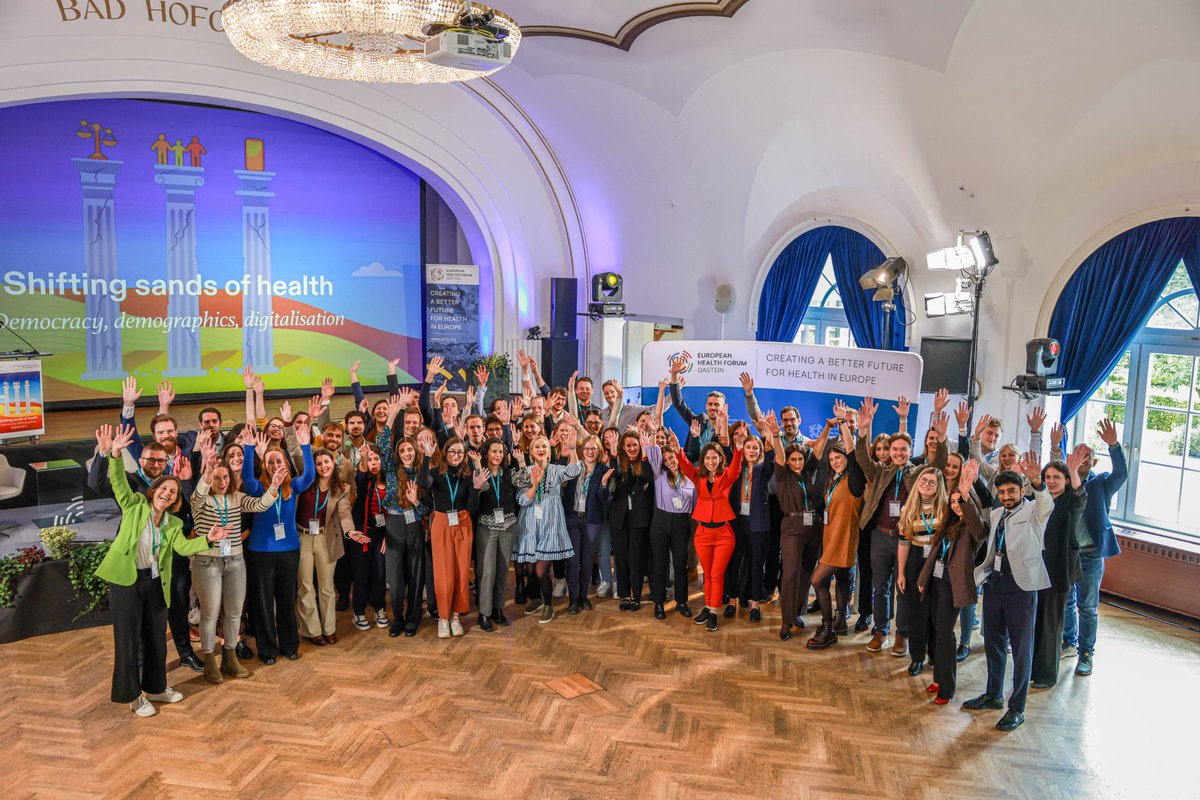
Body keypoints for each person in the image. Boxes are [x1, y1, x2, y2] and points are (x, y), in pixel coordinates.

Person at [93, 424, 233, 717]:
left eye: (173, 492)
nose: (167, 494)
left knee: (156, 638)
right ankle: (133, 696)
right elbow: (118, 482)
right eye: (164, 489)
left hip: (157, 583)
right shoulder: (134, 506)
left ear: (175, 499)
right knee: (128, 640)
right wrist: (114, 454)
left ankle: (156, 688)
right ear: (153, 491)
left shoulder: (173, 524)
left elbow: (183, 547)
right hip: (127, 582)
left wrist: (208, 539)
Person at [962, 454, 1053, 732]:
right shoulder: (997, 513)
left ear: (1021, 490)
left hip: (1021, 588)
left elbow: (1047, 504)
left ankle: (1017, 708)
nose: (1006, 496)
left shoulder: (1034, 511)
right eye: (1002, 492)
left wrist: (1037, 480)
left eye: (1011, 491)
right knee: (993, 643)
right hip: (995, 584)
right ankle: (993, 695)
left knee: (1022, 650)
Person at [855, 397, 949, 657]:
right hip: (880, 537)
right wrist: (862, 431)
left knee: (903, 588)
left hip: (907, 540)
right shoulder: (881, 471)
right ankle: (881, 630)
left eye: (903, 449)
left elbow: (939, 464)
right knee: (880, 587)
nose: (897, 453)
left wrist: (941, 439)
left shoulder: (918, 472)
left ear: (909, 451)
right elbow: (862, 458)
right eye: (894, 449)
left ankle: (902, 634)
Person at [189, 436, 282, 684]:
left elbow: (260, 505)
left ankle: (229, 658)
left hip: (235, 561)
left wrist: (273, 487)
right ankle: (210, 660)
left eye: (225, 477)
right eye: (217, 478)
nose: (222, 482)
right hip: (207, 563)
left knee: (234, 613)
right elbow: (197, 497)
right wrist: (206, 473)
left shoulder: (237, 498)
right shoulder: (200, 501)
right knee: (210, 613)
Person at [1052, 417, 1127, 676]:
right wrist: (1055, 447)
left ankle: (1086, 653)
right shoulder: (1064, 483)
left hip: (1091, 555)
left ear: (1093, 462)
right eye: (1078, 454)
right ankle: (1069, 643)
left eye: (1087, 456)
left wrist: (1114, 446)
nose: (1082, 459)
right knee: (1066, 601)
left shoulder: (1101, 483)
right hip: (1068, 553)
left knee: (1087, 607)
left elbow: (1122, 474)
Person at [240, 427, 315, 665]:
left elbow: (309, 475)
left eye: (279, 461)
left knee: (286, 599)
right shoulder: (257, 487)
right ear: (264, 465)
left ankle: (290, 645)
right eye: (270, 461)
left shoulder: (293, 486)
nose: (274, 465)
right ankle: (268, 650)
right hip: (260, 552)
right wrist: (249, 449)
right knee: (263, 603)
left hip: (289, 551)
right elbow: (246, 477)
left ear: (286, 464)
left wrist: (305, 446)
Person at [916, 459, 986, 704]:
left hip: (952, 586)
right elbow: (935, 554)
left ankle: (947, 688)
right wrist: (923, 579)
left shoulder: (974, 529)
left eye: (961, 502)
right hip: (936, 582)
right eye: (954, 501)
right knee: (937, 630)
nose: (957, 505)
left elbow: (978, 526)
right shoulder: (949, 524)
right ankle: (938, 678)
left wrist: (966, 494)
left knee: (945, 633)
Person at [800, 418, 864, 647]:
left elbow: (854, 453)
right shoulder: (835, 479)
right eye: (832, 459)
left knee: (817, 580)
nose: (835, 462)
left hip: (844, 538)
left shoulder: (855, 480)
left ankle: (828, 628)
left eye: (839, 458)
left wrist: (843, 424)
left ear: (847, 458)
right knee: (843, 579)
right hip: (831, 535)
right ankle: (840, 620)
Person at [676, 414, 744, 632]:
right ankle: (708, 606)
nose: (711, 461)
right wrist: (677, 450)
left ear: (720, 459)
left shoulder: (727, 476)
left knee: (717, 574)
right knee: (707, 574)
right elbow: (685, 466)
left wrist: (739, 449)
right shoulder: (699, 476)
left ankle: (713, 611)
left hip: (724, 534)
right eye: (707, 458)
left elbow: (736, 467)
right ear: (703, 459)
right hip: (703, 533)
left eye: (715, 458)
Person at [1030, 448, 1087, 689]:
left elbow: (1080, 496)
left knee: (1050, 624)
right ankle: (1031, 669)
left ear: (1066, 480)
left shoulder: (1069, 501)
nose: (1051, 481)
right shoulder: (1039, 500)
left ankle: (1046, 675)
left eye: (1057, 477)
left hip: (1058, 571)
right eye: (1048, 477)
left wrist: (1073, 470)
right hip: (1035, 568)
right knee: (1034, 620)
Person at [515, 431, 582, 623]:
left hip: (551, 526)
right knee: (530, 569)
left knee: (541, 570)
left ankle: (548, 605)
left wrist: (572, 449)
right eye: (537, 446)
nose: (541, 449)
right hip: (530, 526)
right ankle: (537, 599)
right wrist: (534, 485)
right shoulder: (525, 472)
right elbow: (521, 500)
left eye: (544, 446)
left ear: (549, 451)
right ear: (531, 452)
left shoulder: (556, 470)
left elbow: (574, 471)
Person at [295, 449, 359, 647]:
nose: (324, 466)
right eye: (319, 463)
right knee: (305, 586)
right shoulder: (305, 483)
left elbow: (344, 512)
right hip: (303, 538)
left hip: (326, 538)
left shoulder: (342, 488)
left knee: (327, 587)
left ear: (333, 463)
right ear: (313, 466)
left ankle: (329, 629)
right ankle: (312, 630)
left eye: (327, 462)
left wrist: (350, 531)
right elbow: (295, 453)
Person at [378, 399, 429, 637]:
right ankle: (397, 617)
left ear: (415, 452)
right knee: (395, 578)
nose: (406, 453)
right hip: (395, 523)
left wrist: (416, 501)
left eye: (410, 450)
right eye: (402, 450)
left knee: (416, 574)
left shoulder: (421, 473)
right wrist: (394, 412)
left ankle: (413, 618)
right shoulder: (391, 468)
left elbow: (427, 509)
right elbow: (382, 442)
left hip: (415, 524)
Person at [419, 436, 474, 638]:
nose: (456, 455)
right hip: (442, 524)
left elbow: (473, 505)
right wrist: (427, 456)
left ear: (464, 455)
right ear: (445, 453)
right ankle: (443, 618)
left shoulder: (468, 475)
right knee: (443, 572)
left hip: (463, 522)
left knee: (461, 572)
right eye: (452, 451)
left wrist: (476, 488)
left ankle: (456, 616)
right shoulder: (435, 473)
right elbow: (423, 483)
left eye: (460, 452)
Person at [896, 466, 949, 677]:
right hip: (916, 559)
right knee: (917, 612)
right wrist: (901, 573)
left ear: (938, 487)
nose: (926, 485)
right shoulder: (907, 509)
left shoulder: (946, 508)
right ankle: (917, 657)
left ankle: (934, 654)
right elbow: (903, 544)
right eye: (923, 480)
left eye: (931, 482)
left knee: (937, 612)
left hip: (939, 560)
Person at [646, 432, 696, 619]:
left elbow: (696, 503)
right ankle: (659, 603)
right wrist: (653, 432)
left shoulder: (689, 477)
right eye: (665, 459)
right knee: (660, 564)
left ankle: (681, 602)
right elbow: (652, 452)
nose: (669, 462)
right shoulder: (659, 474)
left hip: (682, 523)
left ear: (677, 456)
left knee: (680, 564)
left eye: (671, 457)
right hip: (661, 521)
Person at [470, 437, 518, 631]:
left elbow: (525, 481)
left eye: (500, 452)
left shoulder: (509, 473)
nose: (498, 455)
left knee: (503, 570)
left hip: (508, 526)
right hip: (487, 527)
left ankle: (498, 608)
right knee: (487, 571)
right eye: (494, 451)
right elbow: (479, 492)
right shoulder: (481, 473)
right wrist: (477, 466)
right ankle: (484, 613)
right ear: (486, 453)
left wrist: (521, 461)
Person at [606, 431, 656, 611]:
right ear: (623, 447)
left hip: (640, 518)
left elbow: (648, 477)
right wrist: (613, 452)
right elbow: (615, 477)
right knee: (621, 558)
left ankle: (636, 596)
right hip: (619, 519)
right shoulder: (619, 462)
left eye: (635, 445)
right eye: (628, 445)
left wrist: (645, 453)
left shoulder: (645, 461)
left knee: (636, 558)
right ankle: (624, 595)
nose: (632, 448)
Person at [562, 434, 609, 614]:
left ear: (599, 451)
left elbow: (604, 499)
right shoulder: (574, 466)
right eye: (587, 448)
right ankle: (573, 599)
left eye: (594, 449)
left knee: (588, 560)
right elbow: (561, 483)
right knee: (573, 561)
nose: (590, 452)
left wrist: (603, 486)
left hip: (592, 520)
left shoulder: (603, 470)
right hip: (572, 518)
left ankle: (583, 596)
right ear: (582, 451)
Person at [348, 445, 390, 631]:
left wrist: (388, 536)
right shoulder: (364, 483)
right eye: (370, 460)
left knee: (379, 575)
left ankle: (380, 609)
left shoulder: (389, 483)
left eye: (376, 459)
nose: (373, 463)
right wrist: (364, 458)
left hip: (381, 535)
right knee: (361, 576)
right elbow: (361, 476)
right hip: (362, 534)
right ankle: (359, 612)